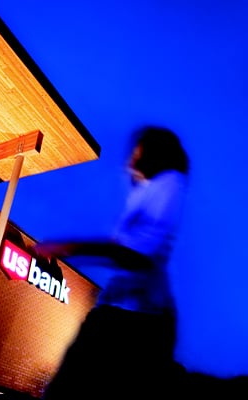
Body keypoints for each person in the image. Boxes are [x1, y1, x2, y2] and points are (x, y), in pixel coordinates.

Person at [37, 126, 190, 398]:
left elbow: (133, 253)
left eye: (137, 154)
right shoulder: (144, 193)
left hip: (141, 321)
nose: (130, 161)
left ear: (154, 155)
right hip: (121, 313)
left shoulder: (169, 184)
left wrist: (66, 247)